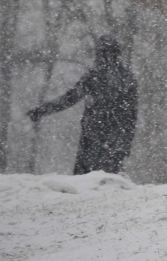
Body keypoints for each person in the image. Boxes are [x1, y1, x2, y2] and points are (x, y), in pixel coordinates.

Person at [27, 37, 138, 175]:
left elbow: (70, 98)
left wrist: (42, 110)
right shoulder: (127, 79)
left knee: (84, 182)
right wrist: (125, 143)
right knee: (108, 184)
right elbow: (132, 116)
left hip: (93, 137)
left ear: (100, 54)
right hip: (114, 141)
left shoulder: (94, 77)